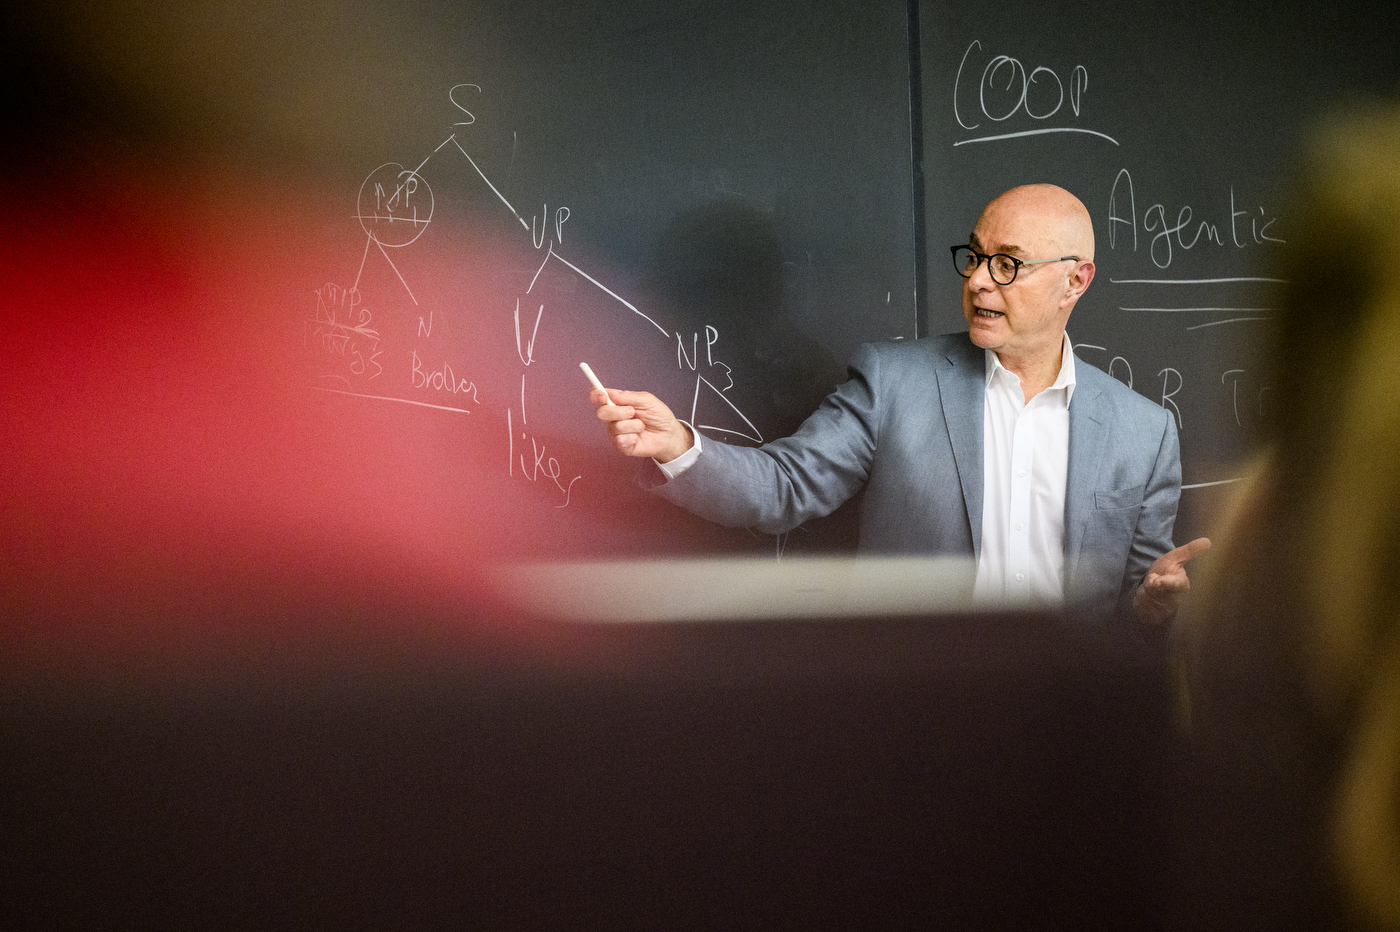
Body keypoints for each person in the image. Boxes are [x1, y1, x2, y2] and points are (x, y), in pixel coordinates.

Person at [589, 184, 1209, 623]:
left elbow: (1140, 610)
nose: (978, 280)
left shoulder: (1143, 433)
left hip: (1069, 725)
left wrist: (1154, 605)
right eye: (975, 256)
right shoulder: (894, 383)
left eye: (1008, 264)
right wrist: (680, 447)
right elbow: (783, 487)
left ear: (1076, 280)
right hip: (918, 713)